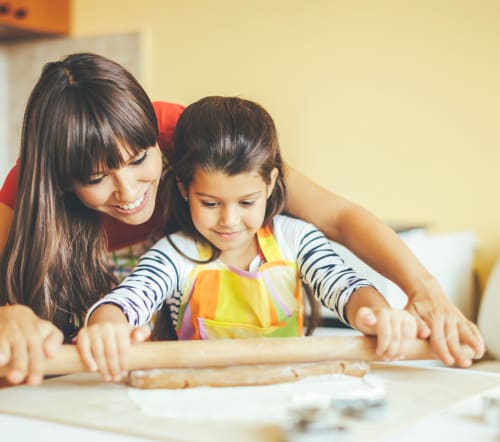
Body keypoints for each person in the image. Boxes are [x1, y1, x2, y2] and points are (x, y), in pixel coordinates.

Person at [0, 53, 483, 386]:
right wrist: (12, 314)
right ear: (60, 180)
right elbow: (131, 296)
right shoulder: (33, 189)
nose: (129, 193)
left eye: (140, 160)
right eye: (96, 178)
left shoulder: (189, 137)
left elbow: (337, 221)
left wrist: (420, 294)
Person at [78, 96, 419, 381]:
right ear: (184, 189)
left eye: (247, 202)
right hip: (197, 401)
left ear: (270, 184)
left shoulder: (296, 239)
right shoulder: (173, 254)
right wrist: (106, 327)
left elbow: (345, 286)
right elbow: (128, 300)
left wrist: (378, 315)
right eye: (210, 203)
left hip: (287, 395)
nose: (229, 220)